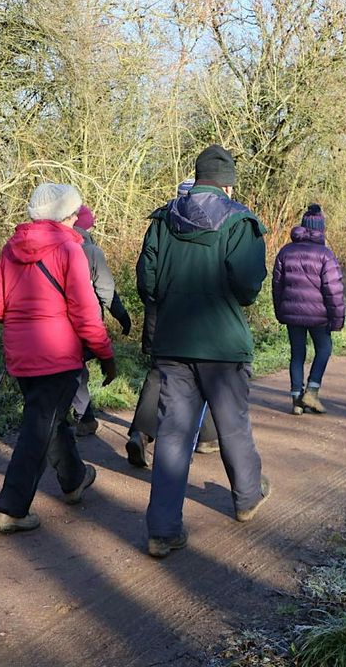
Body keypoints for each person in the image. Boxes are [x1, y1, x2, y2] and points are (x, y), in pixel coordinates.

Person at [137, 145, 271, 558]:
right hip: (223, 345)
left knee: (173, 434)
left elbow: (147, 283)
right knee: (232, 425)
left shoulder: (164, 219)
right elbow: (248, 288)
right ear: (228, 184)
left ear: (196, 178)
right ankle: (247, 497)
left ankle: (162, 530)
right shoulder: (240, 221)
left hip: (173, 341)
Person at [0, 183, 117, 533]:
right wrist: (105, 354)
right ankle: (11, 509)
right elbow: (86, 314)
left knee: (48, 419)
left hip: (20, 356)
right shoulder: (70, 250)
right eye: (74, 214)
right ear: (65, 216)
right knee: (38, 428)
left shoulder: (10, 249)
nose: (76, 221)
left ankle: (74, 479)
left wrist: (23, 322)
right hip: (57, 356)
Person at [125, 179, 220, 468]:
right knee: (205, 368)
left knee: (159, 371)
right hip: (198, 312)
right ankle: (206, 436)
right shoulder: (213, 223)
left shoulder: (161, 222)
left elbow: (146, 269)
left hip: (161, 309)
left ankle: (140, 433)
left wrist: (153, 299)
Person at [271, 203, 345, 415]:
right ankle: (312, 391)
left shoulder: (286, 252)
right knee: (324, 349)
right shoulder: (325, 255)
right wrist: (337, 320)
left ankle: (296, 398)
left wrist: (280, 312)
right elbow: (334, 290)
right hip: (318, 316)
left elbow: (277, 286)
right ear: (321, 229)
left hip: (292, 314)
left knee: (297, 354)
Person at [69, 204, 132, 438]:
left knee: (73, 369)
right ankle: (83, 417)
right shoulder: (91, 251)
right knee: (77, 368)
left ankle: (81, 417)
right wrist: (122, 316)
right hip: (84, 322)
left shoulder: (51, 247)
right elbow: (106, 292)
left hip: (51, 326)